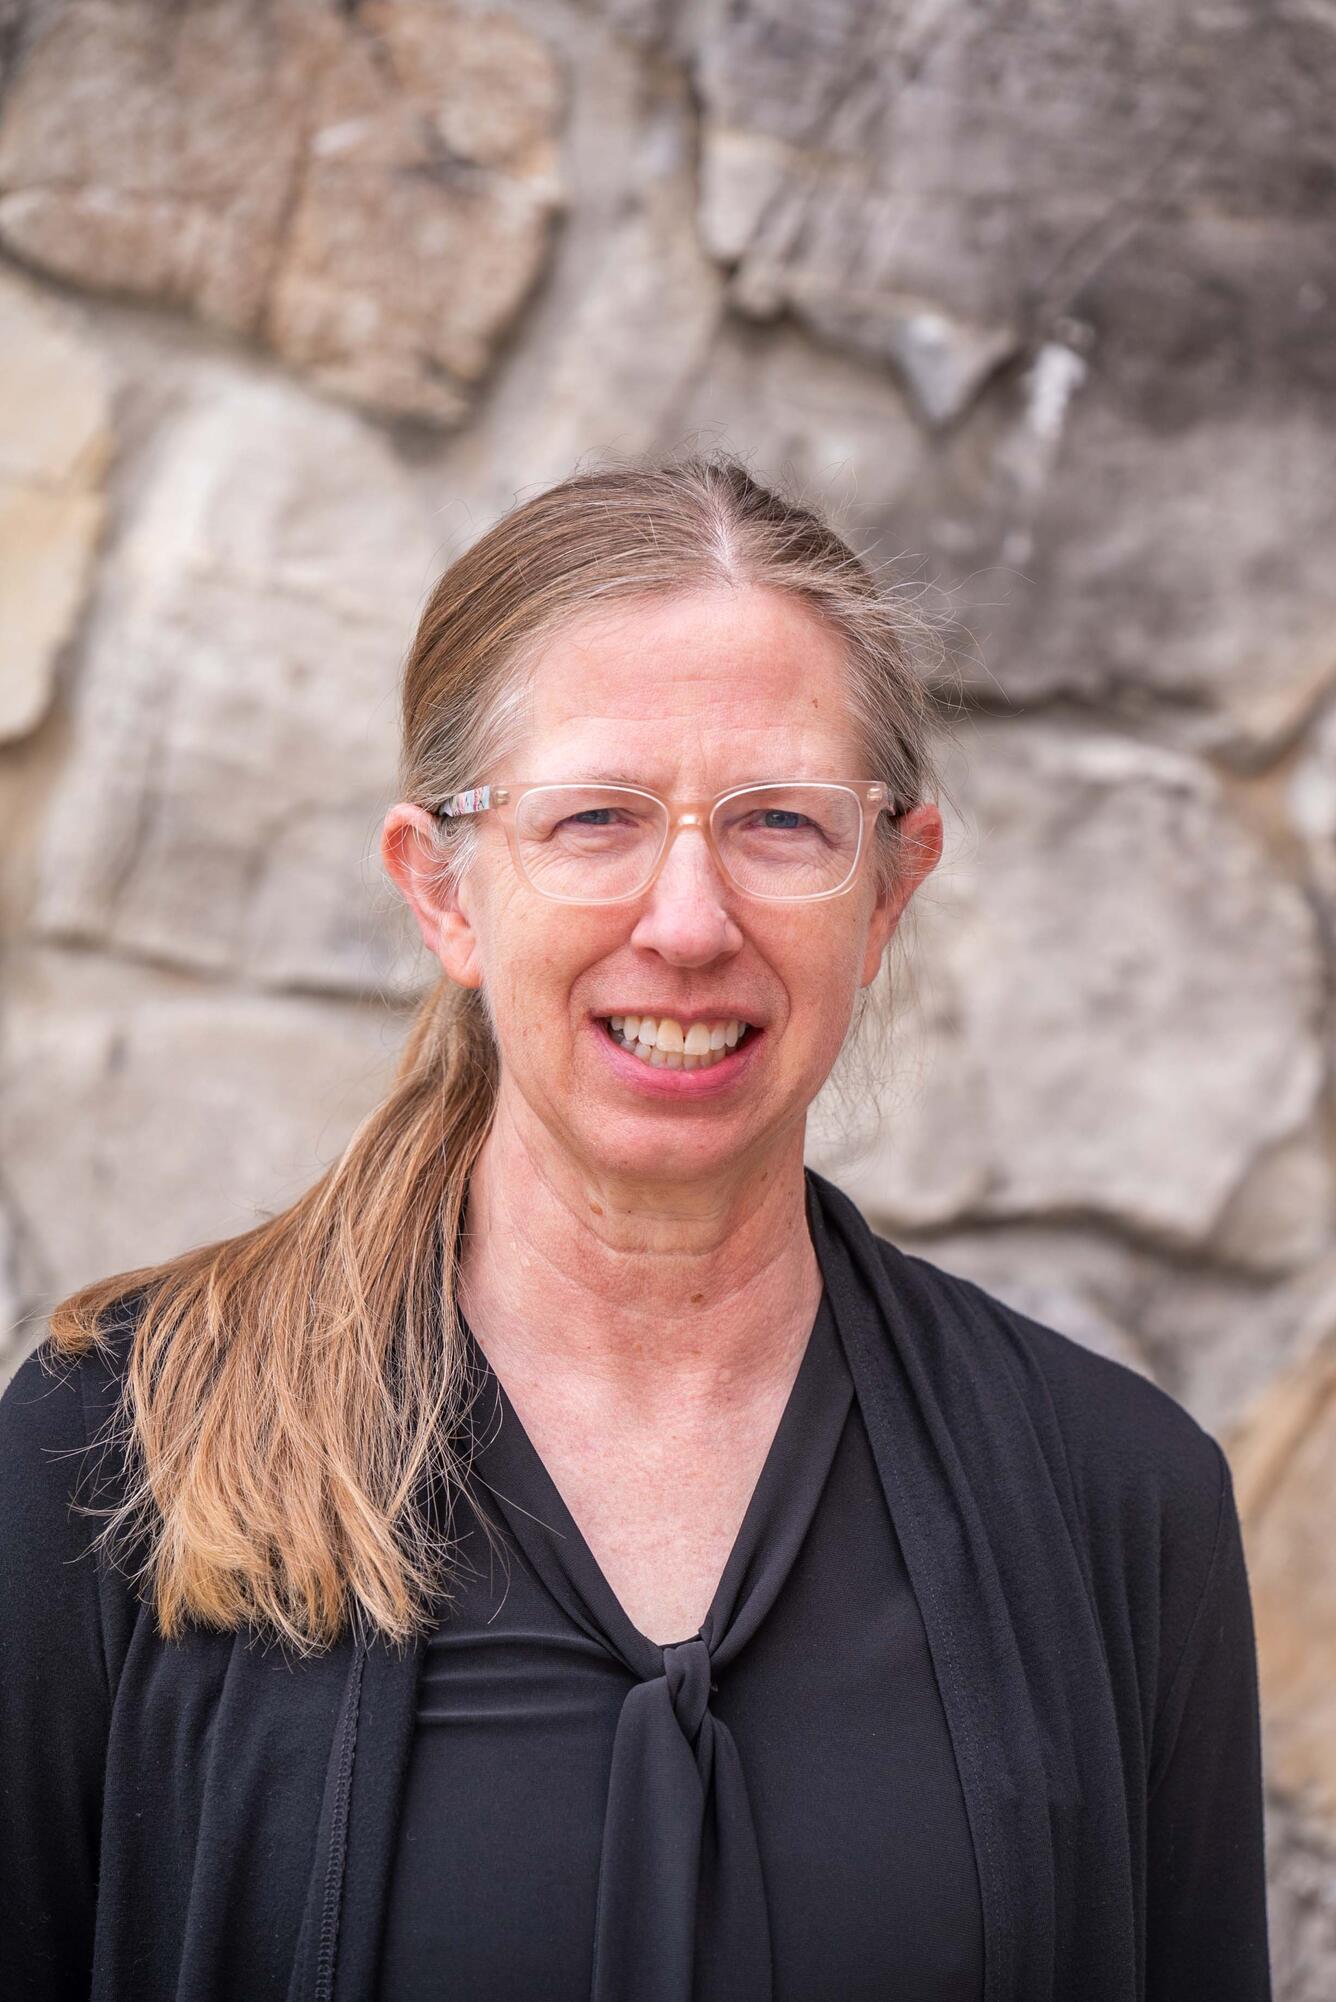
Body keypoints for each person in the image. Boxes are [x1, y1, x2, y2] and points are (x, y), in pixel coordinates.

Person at [0, 454, 1270, 2002]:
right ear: (444, 889)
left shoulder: (1120, 1506)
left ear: (888, 891)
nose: (687, 921)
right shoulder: (115, 1454)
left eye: (780, 824)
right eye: (596, 816)